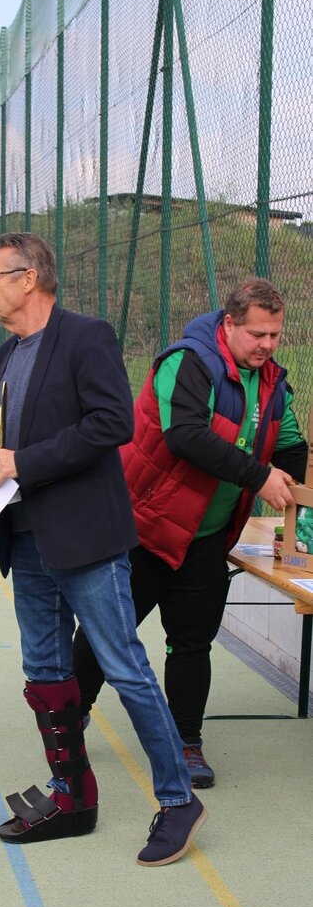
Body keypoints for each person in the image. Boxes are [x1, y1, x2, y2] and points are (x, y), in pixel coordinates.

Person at [0, 232, 206, 866]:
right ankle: (72, 795)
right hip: (26, 540)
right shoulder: (2, 357)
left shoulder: (86, 337)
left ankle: (178, 801)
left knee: (123, 666)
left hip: (86, 538)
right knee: (44, 669)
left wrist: (27, 461)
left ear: (29, 278)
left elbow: (112, 423)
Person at [73, 277, 307, 788]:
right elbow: (185, 436)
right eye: (257, 334)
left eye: (275, 335)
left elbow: (290, 445)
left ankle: (187, 743)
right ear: (229, 324)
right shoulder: (187, 362)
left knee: (192, 642)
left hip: (206, 535)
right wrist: (259, 477)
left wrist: (301, 514)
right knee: (107, 632)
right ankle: (72, 713)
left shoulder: (272, 382)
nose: (267, 345)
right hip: (142, 526)